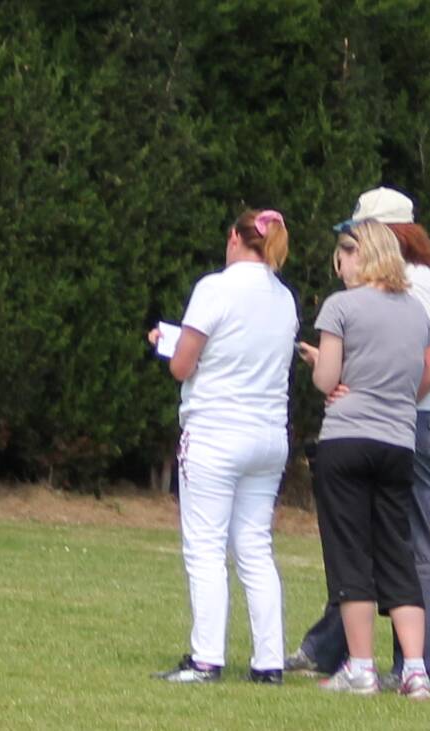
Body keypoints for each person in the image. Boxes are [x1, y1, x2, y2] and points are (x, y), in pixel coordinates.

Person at [286, 188, 430, 690]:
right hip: (404, 432)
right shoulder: (423, 289)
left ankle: (401, 663)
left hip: (401, 423)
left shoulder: (401, 291)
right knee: (394, 548)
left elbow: (427, 366)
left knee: (386, 550)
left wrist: (373, 391)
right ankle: (359, 656)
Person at [149, 209, 298, 684]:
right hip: (268, 433)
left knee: (206, 547)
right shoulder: (285, 298)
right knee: (255, 545)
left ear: (236, 239)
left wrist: (164, 343)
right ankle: (268, 661)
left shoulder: (214, 289)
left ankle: (206, 657)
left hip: (216, 430)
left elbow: (184, 365)